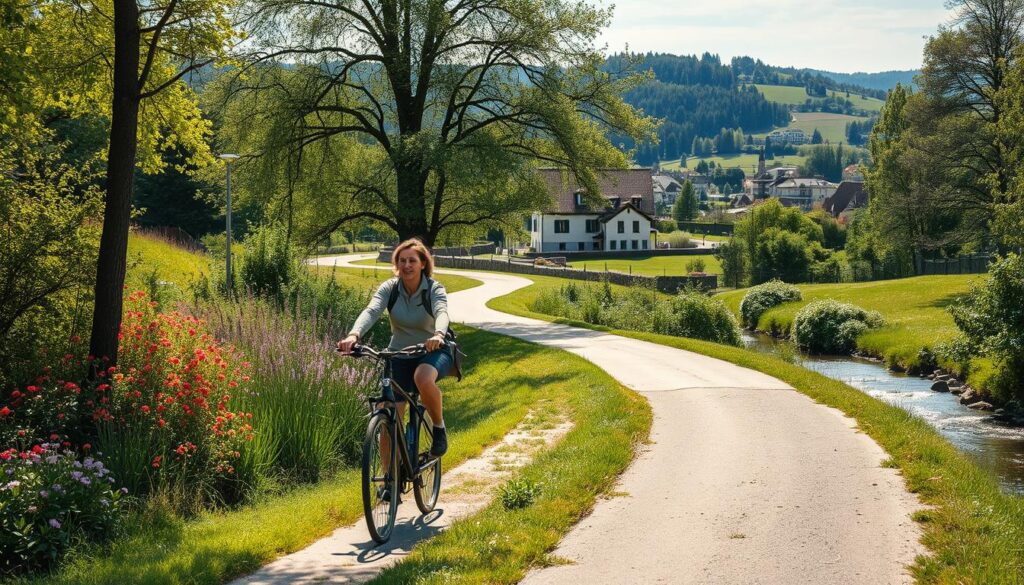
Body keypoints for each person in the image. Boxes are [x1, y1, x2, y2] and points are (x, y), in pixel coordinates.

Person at [337, 238, 452, 457]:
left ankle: (438, 427)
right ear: (396, 264)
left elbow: (441, 312)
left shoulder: (434, 289)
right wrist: (354, 334)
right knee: (389, 415)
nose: (406, 265)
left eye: (412, 260)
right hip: (398, 353)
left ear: (423, 264)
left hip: (433, 350)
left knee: (423, 377)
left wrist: (438, 334)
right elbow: (372, 310)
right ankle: (387, 486)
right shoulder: (390, 288)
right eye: (402, 261)